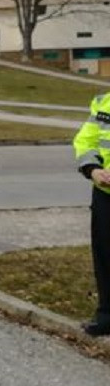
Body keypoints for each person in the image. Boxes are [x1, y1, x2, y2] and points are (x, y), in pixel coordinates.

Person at [73, 92, 110, 337]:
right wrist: (93, 169)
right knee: (105, 256)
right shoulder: (104, 103)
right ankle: (106, 316)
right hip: (105, 192)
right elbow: (85, 141)